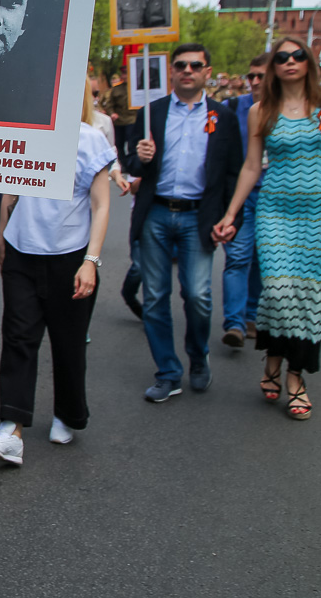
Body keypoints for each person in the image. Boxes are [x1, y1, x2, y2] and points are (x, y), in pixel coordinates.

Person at [213, 38, 321, 421]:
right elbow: (251, 166)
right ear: (274, 67)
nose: (291, 61)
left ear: (309, 62)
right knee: (278, 292)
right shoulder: (261, 111)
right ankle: (274, 355)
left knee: (309, 299)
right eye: (282, 57)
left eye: (298, 55)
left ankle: (293, 375)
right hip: (275, 211)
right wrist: (231, 214)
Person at [0, 88, 114, 465]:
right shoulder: (25, 129)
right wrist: (4, 234)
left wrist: (91, 260)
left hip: (71, 254)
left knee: (68, 342)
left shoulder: (89, 139)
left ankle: (68, 414)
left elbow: (102, 205)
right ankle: (11, 428)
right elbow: (10, 191)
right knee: (18, 337)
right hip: (22, 250)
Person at [126, 43, 243, 402]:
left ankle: (198, 353)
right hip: (157, 213)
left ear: (207, 72)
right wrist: (140, 158)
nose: (187, 70)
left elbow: (233, 172)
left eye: (195, 65)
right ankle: (168, 371)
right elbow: (130, 163)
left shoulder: (223, 117)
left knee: (198, 295)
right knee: (156, 296)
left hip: (199, 216)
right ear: (172, 72)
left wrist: (229, 216)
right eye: (181, 65)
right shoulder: (151, 113)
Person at [219, 53, 268, 347]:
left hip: (275, 199)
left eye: (263, 76)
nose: (256, 82)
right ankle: (234, 323)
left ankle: (251, 314)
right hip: (241, 195)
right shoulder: (233, 107)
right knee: (237, 257)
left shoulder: (291, 111)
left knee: (262, 261)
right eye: (252, 76)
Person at [100, 73, 137, 166]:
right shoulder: (116, 89)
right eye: (123, 74)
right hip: (119, 121)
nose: (124, 76)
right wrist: (112, 113)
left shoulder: (137, 87)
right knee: (119, 144)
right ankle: (123, 164)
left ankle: (131, 164)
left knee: (132, 143)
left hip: (133, 119)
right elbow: (109, 104)